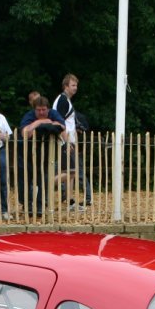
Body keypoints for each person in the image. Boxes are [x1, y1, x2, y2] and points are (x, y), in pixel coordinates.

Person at [18, 96, 67, 215]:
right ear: (34, 110)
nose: (41, 112)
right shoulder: (29, 116)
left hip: (45, 156)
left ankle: (40, 206)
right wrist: (39, 122)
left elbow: (62, 127)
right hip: (26, 155)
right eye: (38, 110)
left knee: (44, 181)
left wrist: (40, 126)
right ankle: (27, 205)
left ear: (48, 109)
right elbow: (25, 133)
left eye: (44, 110)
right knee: (24, 181)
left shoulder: (54, 113)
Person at [53, 74, 92, 210]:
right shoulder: (63, 101)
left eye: (76, 85)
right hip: (65, 141)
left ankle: (70, 202)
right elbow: (59, 122)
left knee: (71, 173)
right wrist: (67, 142)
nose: (76, 88)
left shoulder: (65, 100)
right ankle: (46, 184)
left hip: (69, 141)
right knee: (71, 172)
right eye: (73, 85)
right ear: (66, 86)